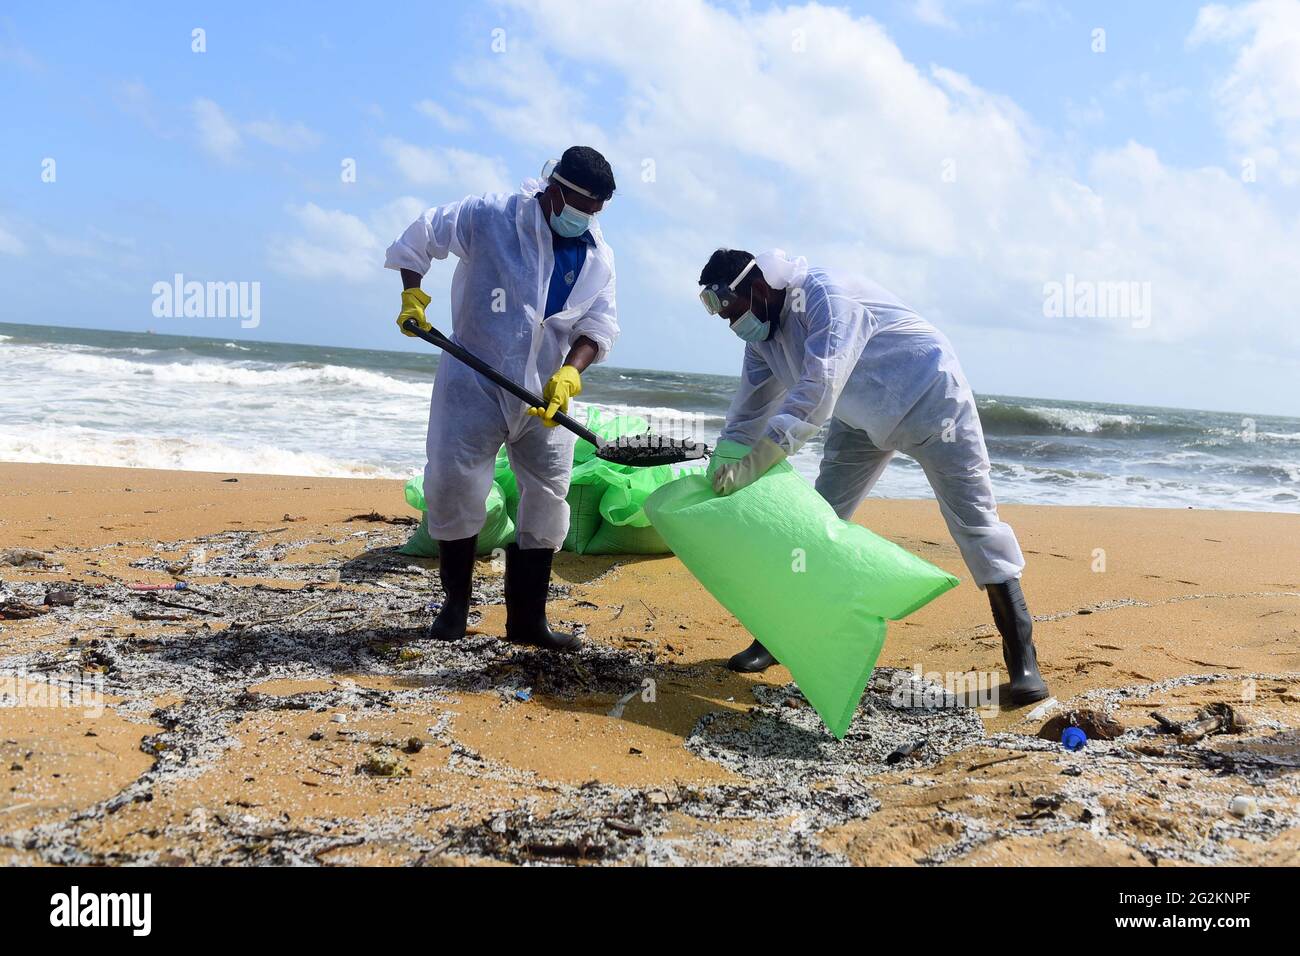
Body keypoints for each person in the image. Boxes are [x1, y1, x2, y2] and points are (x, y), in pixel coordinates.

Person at [698, 248, 1049, 705]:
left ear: (759, 287)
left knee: (975, 525)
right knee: (818, 522)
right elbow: (748, 413)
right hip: (860, 419)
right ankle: (774, 639)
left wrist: (755, 464)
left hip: (931, 401)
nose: (733, 325)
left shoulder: (825, 296)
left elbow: (817, 389)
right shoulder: (761, 341)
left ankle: (1023, 660)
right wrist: (724, 460)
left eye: (733, 311)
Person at [385, 147, 618, 652]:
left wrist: (569, 375)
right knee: (452, 486)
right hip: (474, 380)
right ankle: (454, 609)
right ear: (554, 189)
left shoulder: (598, 255)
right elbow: (421, 236)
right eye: (581, 206)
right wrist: (412, 294)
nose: (587, 218)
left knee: (549, 497)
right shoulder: (491, 216)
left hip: (543, 396)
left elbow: (598, 325)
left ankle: (528, 622)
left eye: (596, 210)